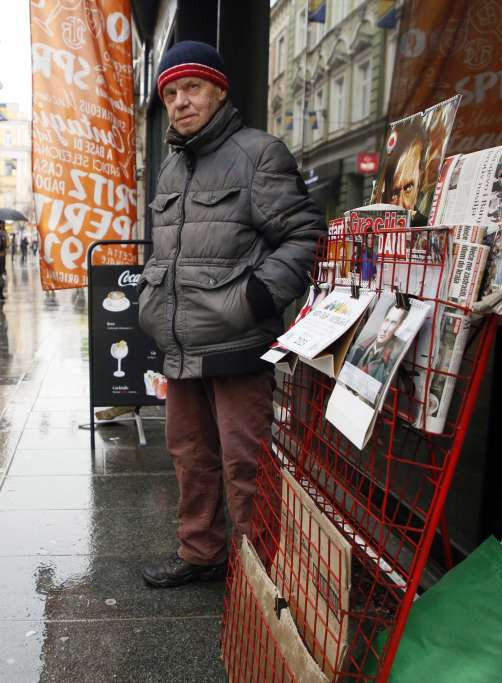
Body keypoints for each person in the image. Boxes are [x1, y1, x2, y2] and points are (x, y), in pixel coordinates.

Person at [137, 41, 323, 588]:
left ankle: (261, 569)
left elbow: (305, 234)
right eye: (170, 93)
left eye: (191, 88)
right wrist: (154, 305)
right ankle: (201, 553)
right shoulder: (172, 167)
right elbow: (168, 249)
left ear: (219, 90)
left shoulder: (259, 153)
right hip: (181, 342)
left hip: (238, 341)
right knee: (190, 458)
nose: (180, 102)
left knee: (247, 462)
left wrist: (258, 299)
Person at [348, 304, 408, 387]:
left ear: (399, 327)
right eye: (387, 320)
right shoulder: (359, 347)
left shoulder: (394, 356)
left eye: (393, 323)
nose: (385, 329)